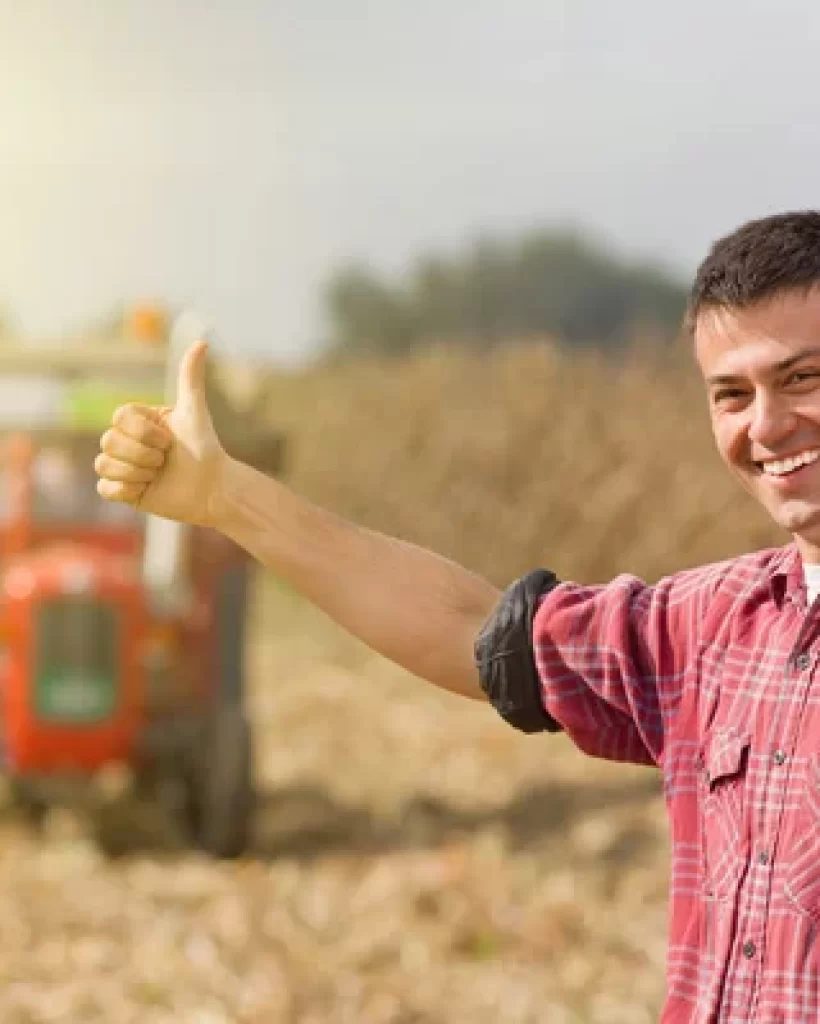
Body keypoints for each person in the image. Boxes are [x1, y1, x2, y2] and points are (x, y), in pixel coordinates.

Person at [94, 210, 820, 1023]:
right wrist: (229, 498)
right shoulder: (706, 628)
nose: (765, 425)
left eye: (802, 378)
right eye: (732, 394)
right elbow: (473, 631)